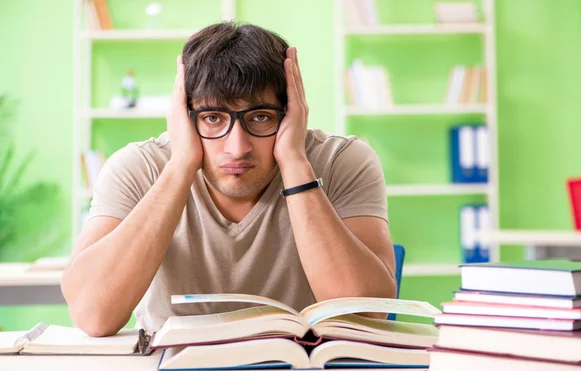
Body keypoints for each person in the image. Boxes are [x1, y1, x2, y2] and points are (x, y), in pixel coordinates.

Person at [61, 22, 396, 337]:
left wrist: (294, 162)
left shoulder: (341, 161)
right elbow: (93, 315)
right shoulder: (138, 167)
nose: (237, 148)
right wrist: (180, 165)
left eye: (261, 117)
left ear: (292, 111)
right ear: (183, 115)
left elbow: (365, 317)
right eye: (212, 118)